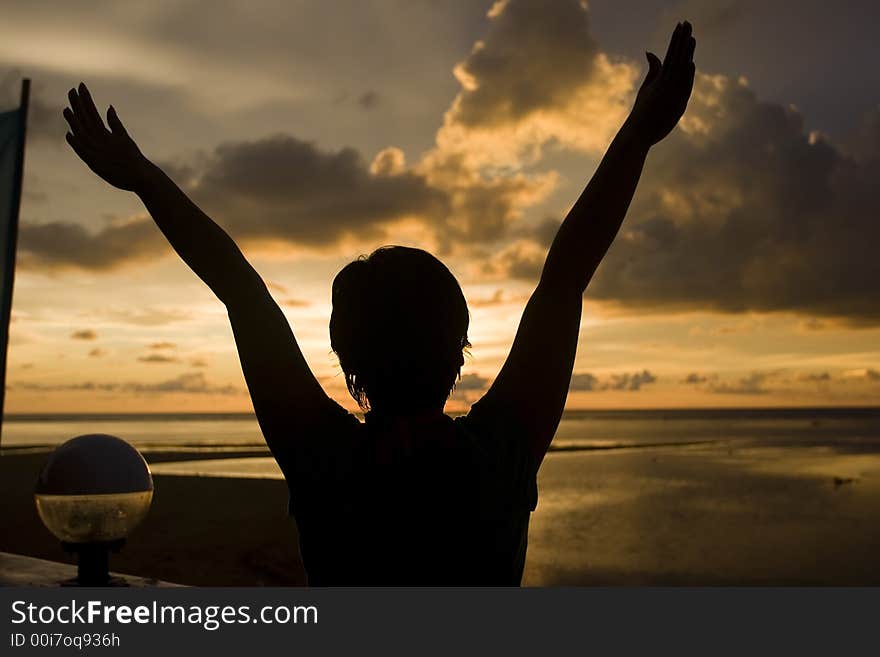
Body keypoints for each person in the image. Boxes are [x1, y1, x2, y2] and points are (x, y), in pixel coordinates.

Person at [63, 22, 696, 585]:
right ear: (459, 346)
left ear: (346, 354)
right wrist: (638, 136)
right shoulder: (500, 452)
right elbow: (564, 279)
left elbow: (240, 291)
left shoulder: (322, 456)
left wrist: (144, 177)